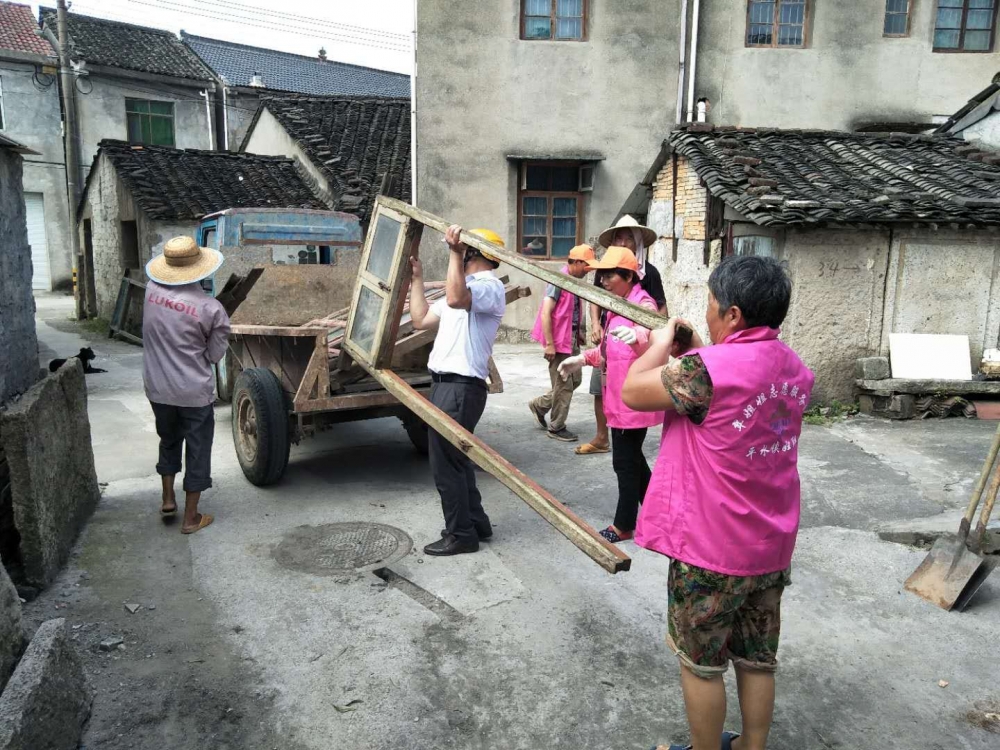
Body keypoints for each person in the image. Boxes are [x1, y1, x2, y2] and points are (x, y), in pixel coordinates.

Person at [621, 256, 815, 750]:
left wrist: (662, 344)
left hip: (710, 551)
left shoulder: (701, 373)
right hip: (769, 548)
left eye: (710, 305)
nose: (705, 313)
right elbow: (736, 393)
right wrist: (698, 354)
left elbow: (632, 391)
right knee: (756, 658)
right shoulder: (796, 370)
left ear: (732, 314)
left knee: (702, 666)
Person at [409, 225, 506, 557]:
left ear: (472, 254)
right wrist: (417, 279)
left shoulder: (489, 287)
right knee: (457, 460)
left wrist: (454, 251)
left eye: (465, 253)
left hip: (461, 387)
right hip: (445, 385)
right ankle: (476, 523)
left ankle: (461, 534)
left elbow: (455, 298)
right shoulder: (463, 286)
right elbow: (421, 319)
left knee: (446, 465)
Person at [557, 247, 664, 544]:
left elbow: (653, 336)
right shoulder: (617, 305)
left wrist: (641, 338)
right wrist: (582, 358)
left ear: (628, 276)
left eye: (609, 274)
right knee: (633, 461)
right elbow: (609, 349)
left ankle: (624, 525)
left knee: (624, 462)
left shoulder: (642, 303)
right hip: (617, 397)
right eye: (601, 274)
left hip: (634, 399)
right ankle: (661, 515)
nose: (602, 279)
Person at [143, 236, 230, 535]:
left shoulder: (151, 292)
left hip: (157, 387)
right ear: (200, 268)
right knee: (197, 450)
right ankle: (191, 518)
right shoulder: (211, 308)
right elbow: (215, 355)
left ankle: (168, 499)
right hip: (193, 392)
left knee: (168, 440)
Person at [579, 215, 666, 456]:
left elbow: (654, 313)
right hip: (613, 354)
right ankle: (601, 435)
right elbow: (597, 300)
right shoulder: (611, 279)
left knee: (626, 460)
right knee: (602, 389)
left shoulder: (648, 277)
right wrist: (593, 334)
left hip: (632, 369)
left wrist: (642, 332)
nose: (624, 242)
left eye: (629, 238)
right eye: (620, 237)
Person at [528, 244, 595, 442]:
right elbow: (546, 312)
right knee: (564, 384)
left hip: (570, 339)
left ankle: (539, 405)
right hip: (557, 343)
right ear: (576, 262)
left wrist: (578, 332)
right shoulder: (558, 281)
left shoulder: (573, 281)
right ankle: (556, 427)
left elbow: (570, 311)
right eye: (586, 266)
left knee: (575, 380)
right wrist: (549, 344)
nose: (588, 270)